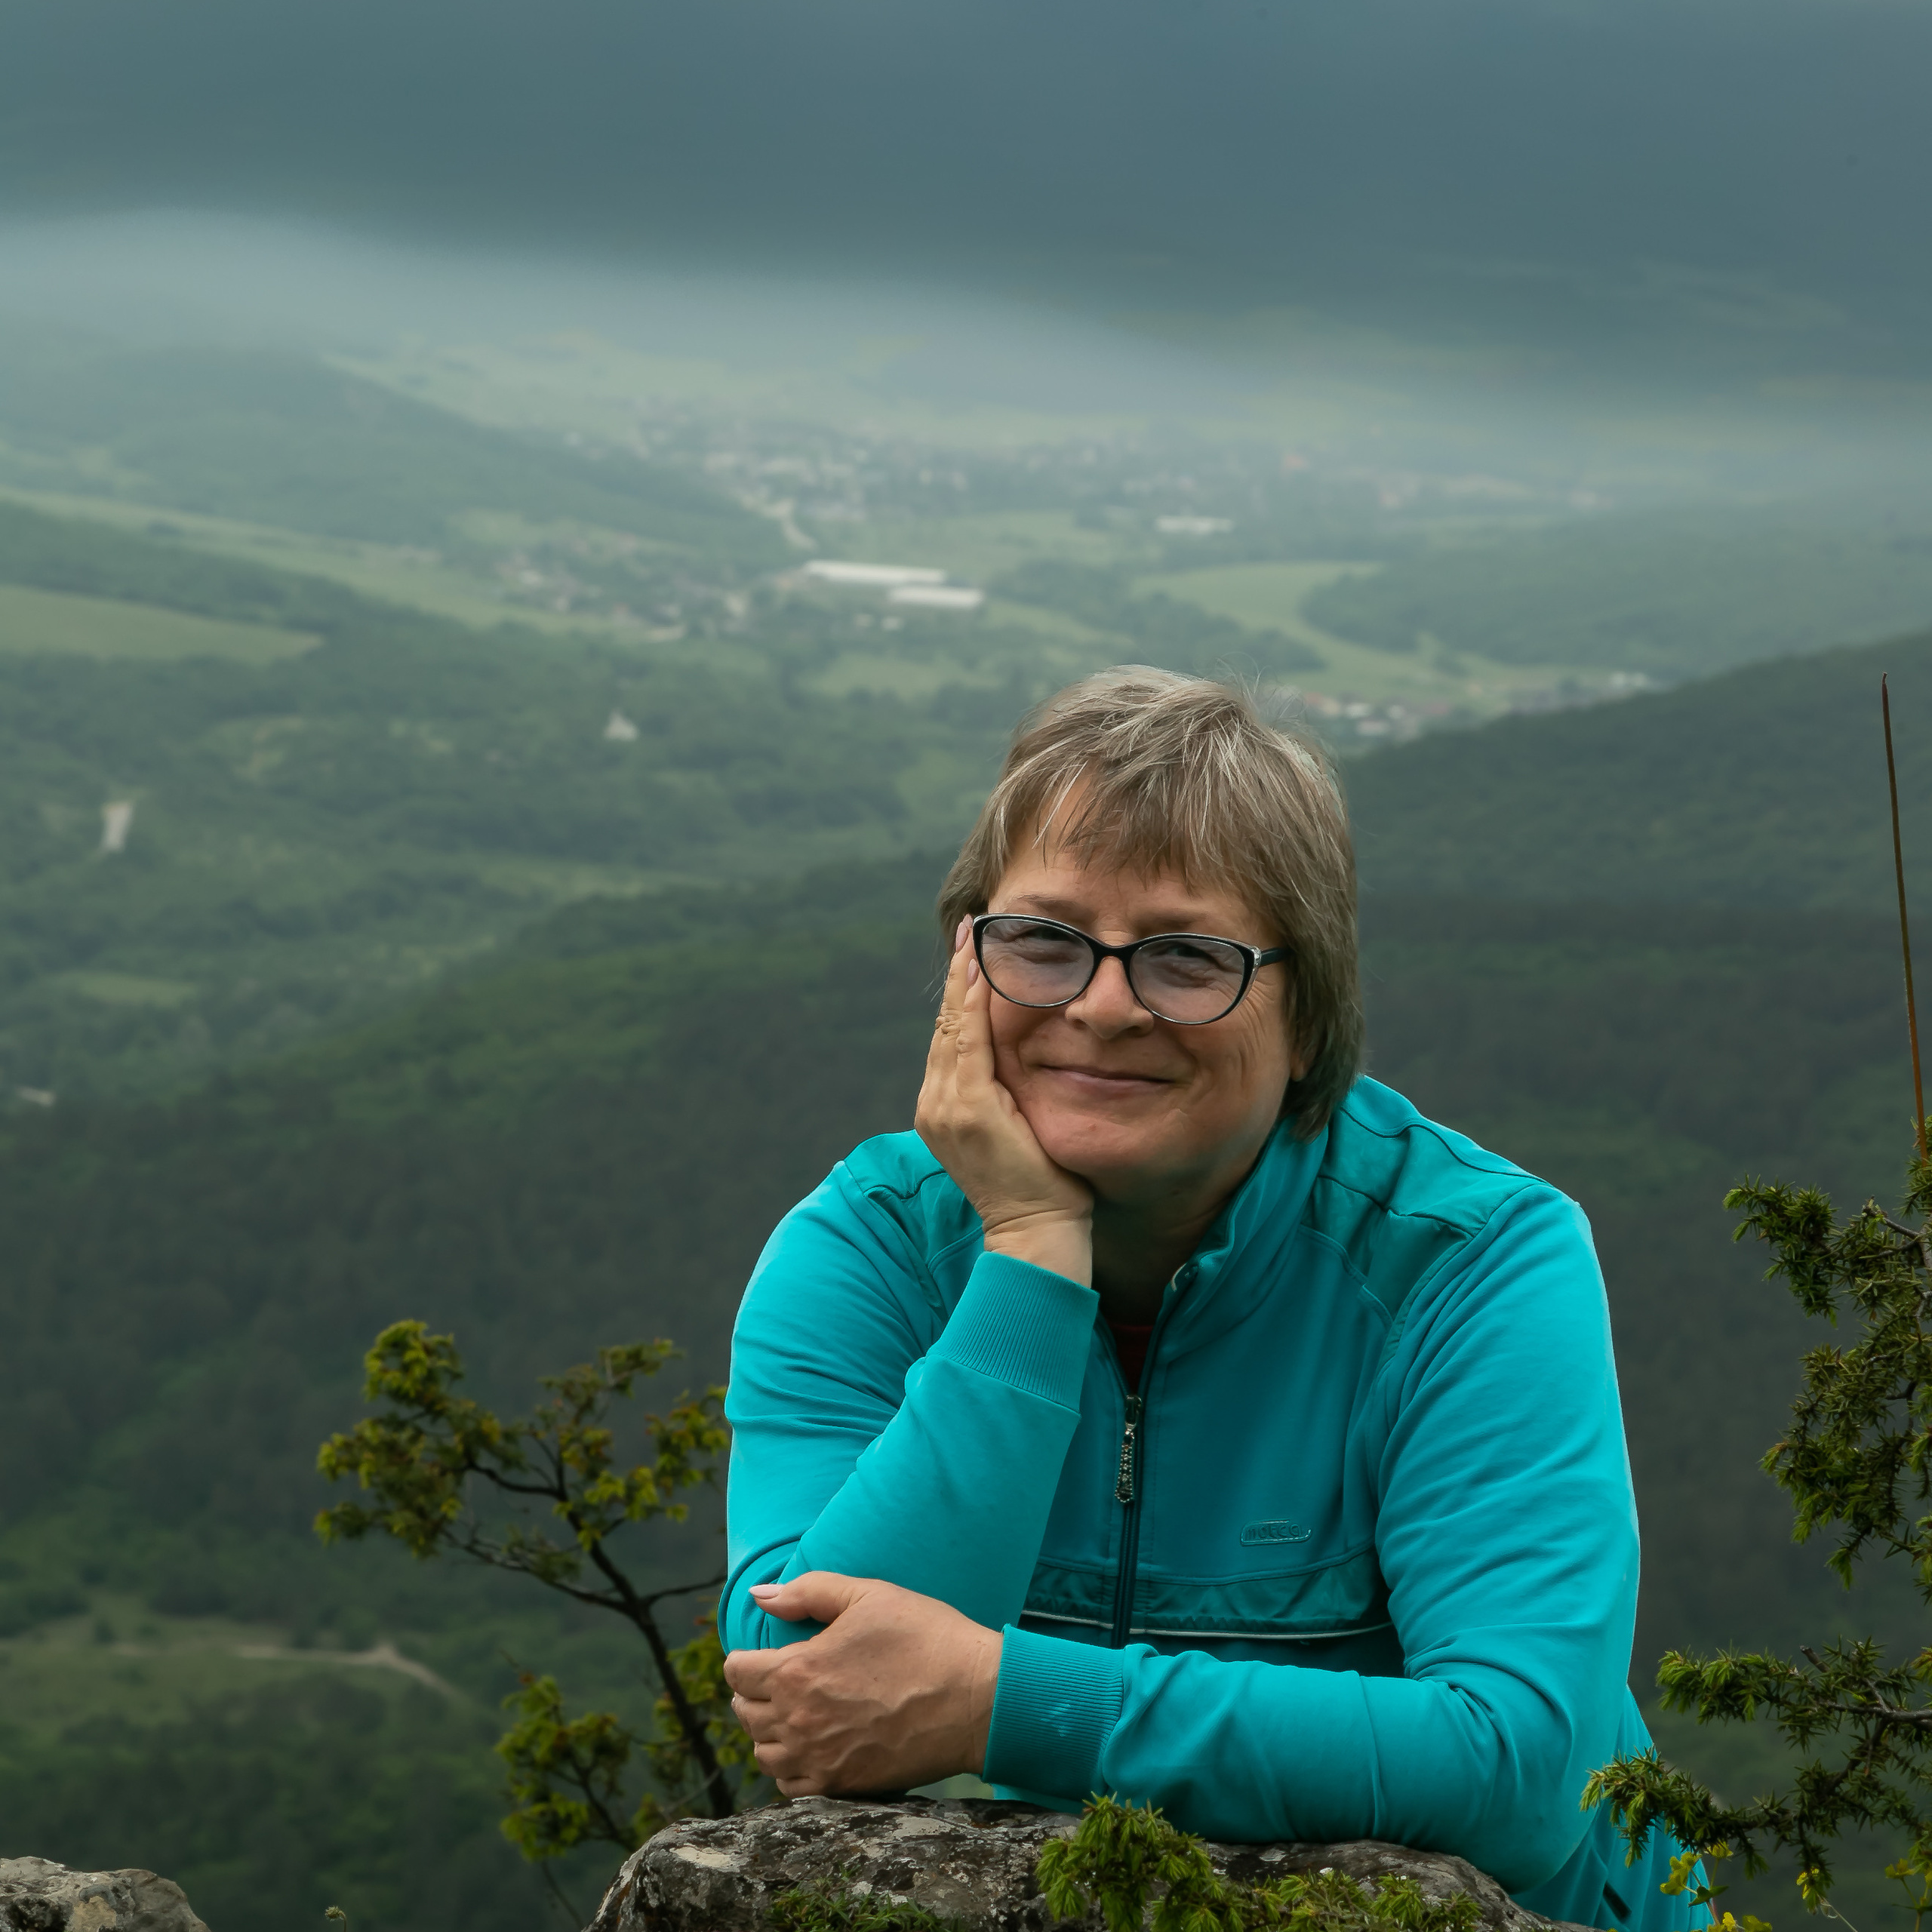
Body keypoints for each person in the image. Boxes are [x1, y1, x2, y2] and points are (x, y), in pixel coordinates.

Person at [718, 668, 1697, 1932]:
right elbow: (807, 1687)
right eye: (1044, 941)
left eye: (1187, 957)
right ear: (966, 966)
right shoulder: (873, 1247)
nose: (1103, 1003)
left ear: (1309, 1013)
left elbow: (1521, 1771)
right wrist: (1028, 1254)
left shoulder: (1472, 1259)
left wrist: (1004, 1701)